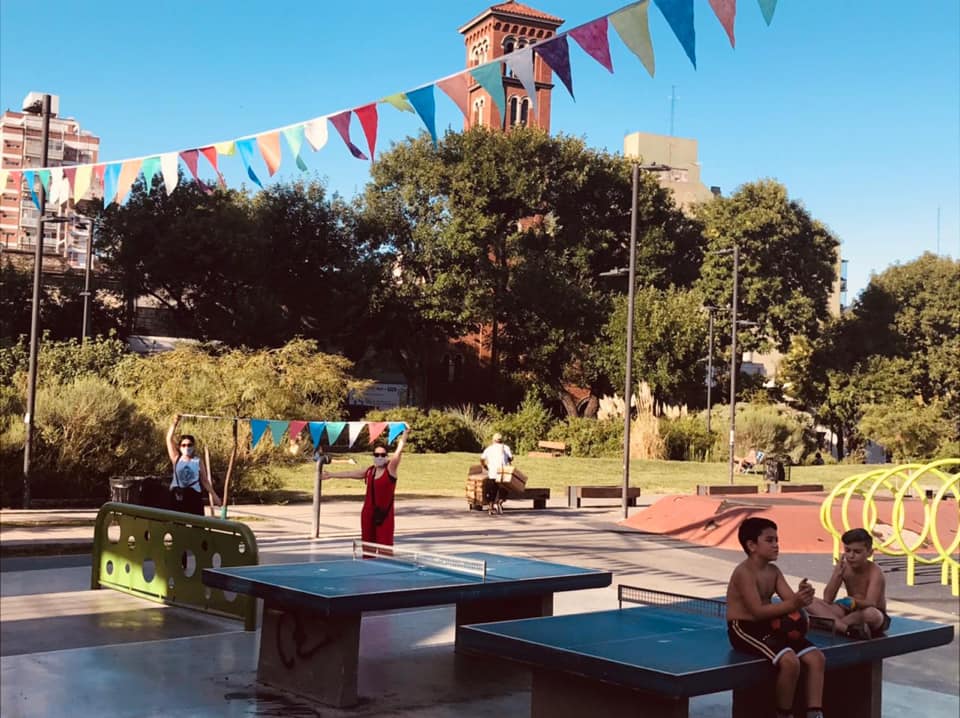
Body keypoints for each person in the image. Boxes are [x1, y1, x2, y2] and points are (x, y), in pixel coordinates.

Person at [726, 517, 825, 718]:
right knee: (790, 662)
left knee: (816, 658)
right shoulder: (744, 572)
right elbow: (757, 612)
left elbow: (791, 601)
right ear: (752, 545)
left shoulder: (774, 571)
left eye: (777, 540)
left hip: (769, 625)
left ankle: (815, 713)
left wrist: (804, 596)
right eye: (770, 540)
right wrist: (794, 602)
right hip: (744, 628)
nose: (776, 545)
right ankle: (783, 714)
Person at [322, 428, 409, 546]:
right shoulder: (370, 471)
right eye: (376, 454)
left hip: (384, 514)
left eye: (382, 455)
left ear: (386, 457)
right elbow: (351, 474)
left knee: (384, 546)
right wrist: (332, 475)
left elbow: (398, 452)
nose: (379, 457)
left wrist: (405, 434)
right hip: (368, 513)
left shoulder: (390, 470)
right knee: (368, 545)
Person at [808, 527, 889, 639]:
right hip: (849, 612)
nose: (851, 556)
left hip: (871, 613)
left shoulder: (875, 572)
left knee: (870, 614)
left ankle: (831, 624)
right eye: (847, 550)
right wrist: (837, 575)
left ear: (870, 553)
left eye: (857, 552)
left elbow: (872, 602)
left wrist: (853, 602)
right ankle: (845, 628)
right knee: (809, 600)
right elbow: (827, 599)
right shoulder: (844, 568)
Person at [166, 415, 221, 516]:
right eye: (184, 445)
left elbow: (204, 481)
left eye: (189, 445)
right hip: (178, 495)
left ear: (193, 446)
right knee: (178, 525)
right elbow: (169, 439)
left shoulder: (197, 461)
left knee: (197, 525)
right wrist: (175, 423)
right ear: (180, 447)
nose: (186, 447)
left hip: (194, 495)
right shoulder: (176, 458)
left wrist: (214, 495)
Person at [480, 432, 513, 516]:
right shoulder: (506, 447)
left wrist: (485, 466)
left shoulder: (489, 448)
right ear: (501, 440)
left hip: (493, 472)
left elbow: (482, 458)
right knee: (505, 489)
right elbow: (511, 458)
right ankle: (500, 502)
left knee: (492, 491)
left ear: (493, 440)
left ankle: (491, 507)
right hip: (503, 473)